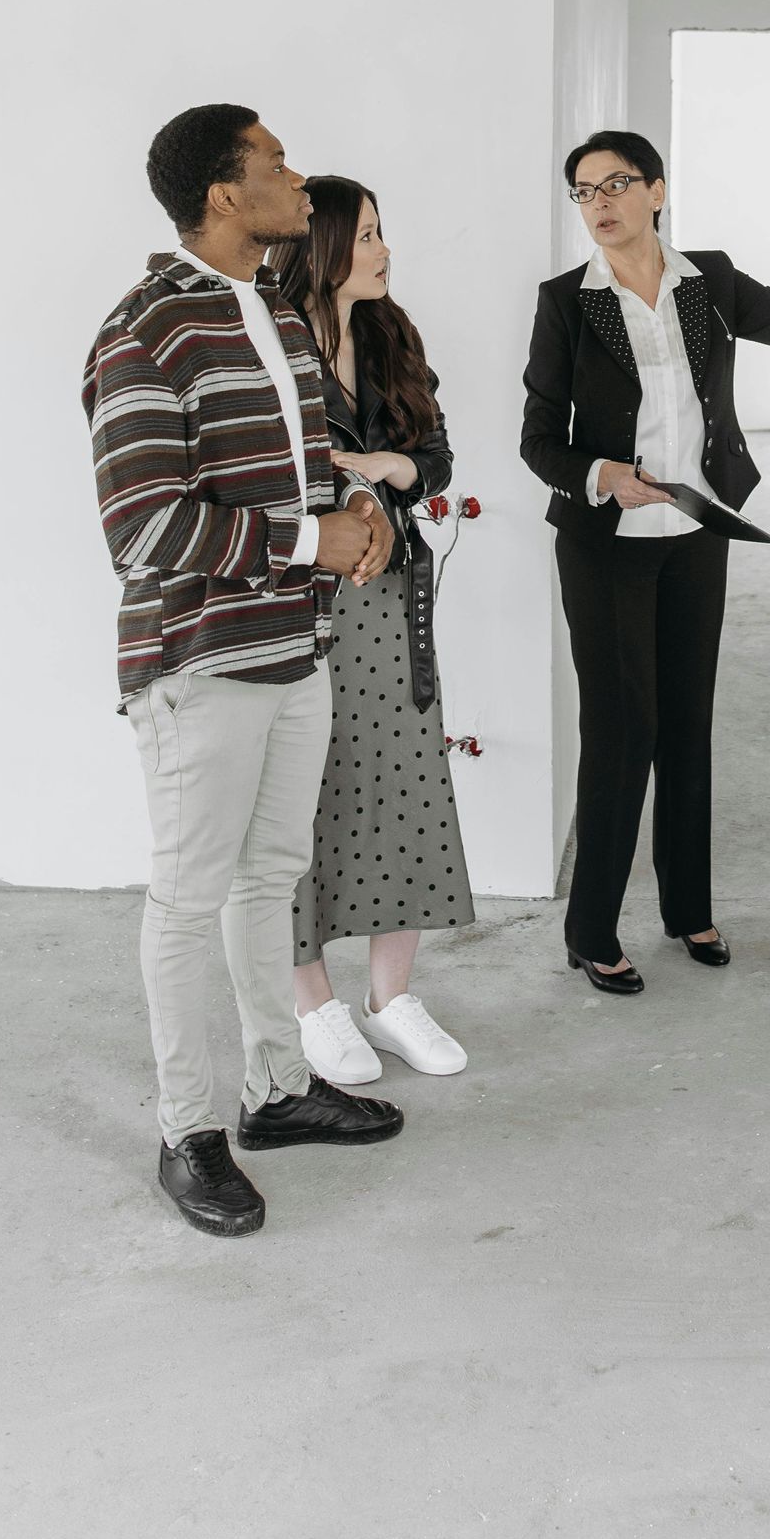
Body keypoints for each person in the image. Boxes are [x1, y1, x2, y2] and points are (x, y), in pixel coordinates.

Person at [83, 105, 406, 1241]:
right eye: (276, 160)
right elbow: (144, 527)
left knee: (269, 879)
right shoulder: (144, 329)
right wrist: (306, 540)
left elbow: (307, 461)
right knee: (186, 898)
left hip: (293, 651)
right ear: (223, 193)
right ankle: (188, 1131)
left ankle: (275, 1090)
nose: (299, 174)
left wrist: (356, 512)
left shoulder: (273, 308)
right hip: (198, 662)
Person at [521, 129, 770, 992]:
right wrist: (603, 475)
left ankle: (686, 908)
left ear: (657, 191)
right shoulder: (566, 301)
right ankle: (590, 929)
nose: (600, 203)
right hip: (604, 549)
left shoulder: (711, 283)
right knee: (620, 735)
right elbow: (537, 440)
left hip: (698, 536)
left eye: (617, 184)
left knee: (685, 726)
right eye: (584, 192)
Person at [272, 178, 475, 1085]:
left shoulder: (390, 332)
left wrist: (398, 465)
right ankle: (312, 1006)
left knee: (405, 785)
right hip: (299, 601)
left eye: (383, 233)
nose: (385, 250)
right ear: (320, 245)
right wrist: (357, 490)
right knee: (296, 807)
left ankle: (392, 1000)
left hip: (391, 600)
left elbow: (435, 452)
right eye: (367, 235)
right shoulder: (270, 337)